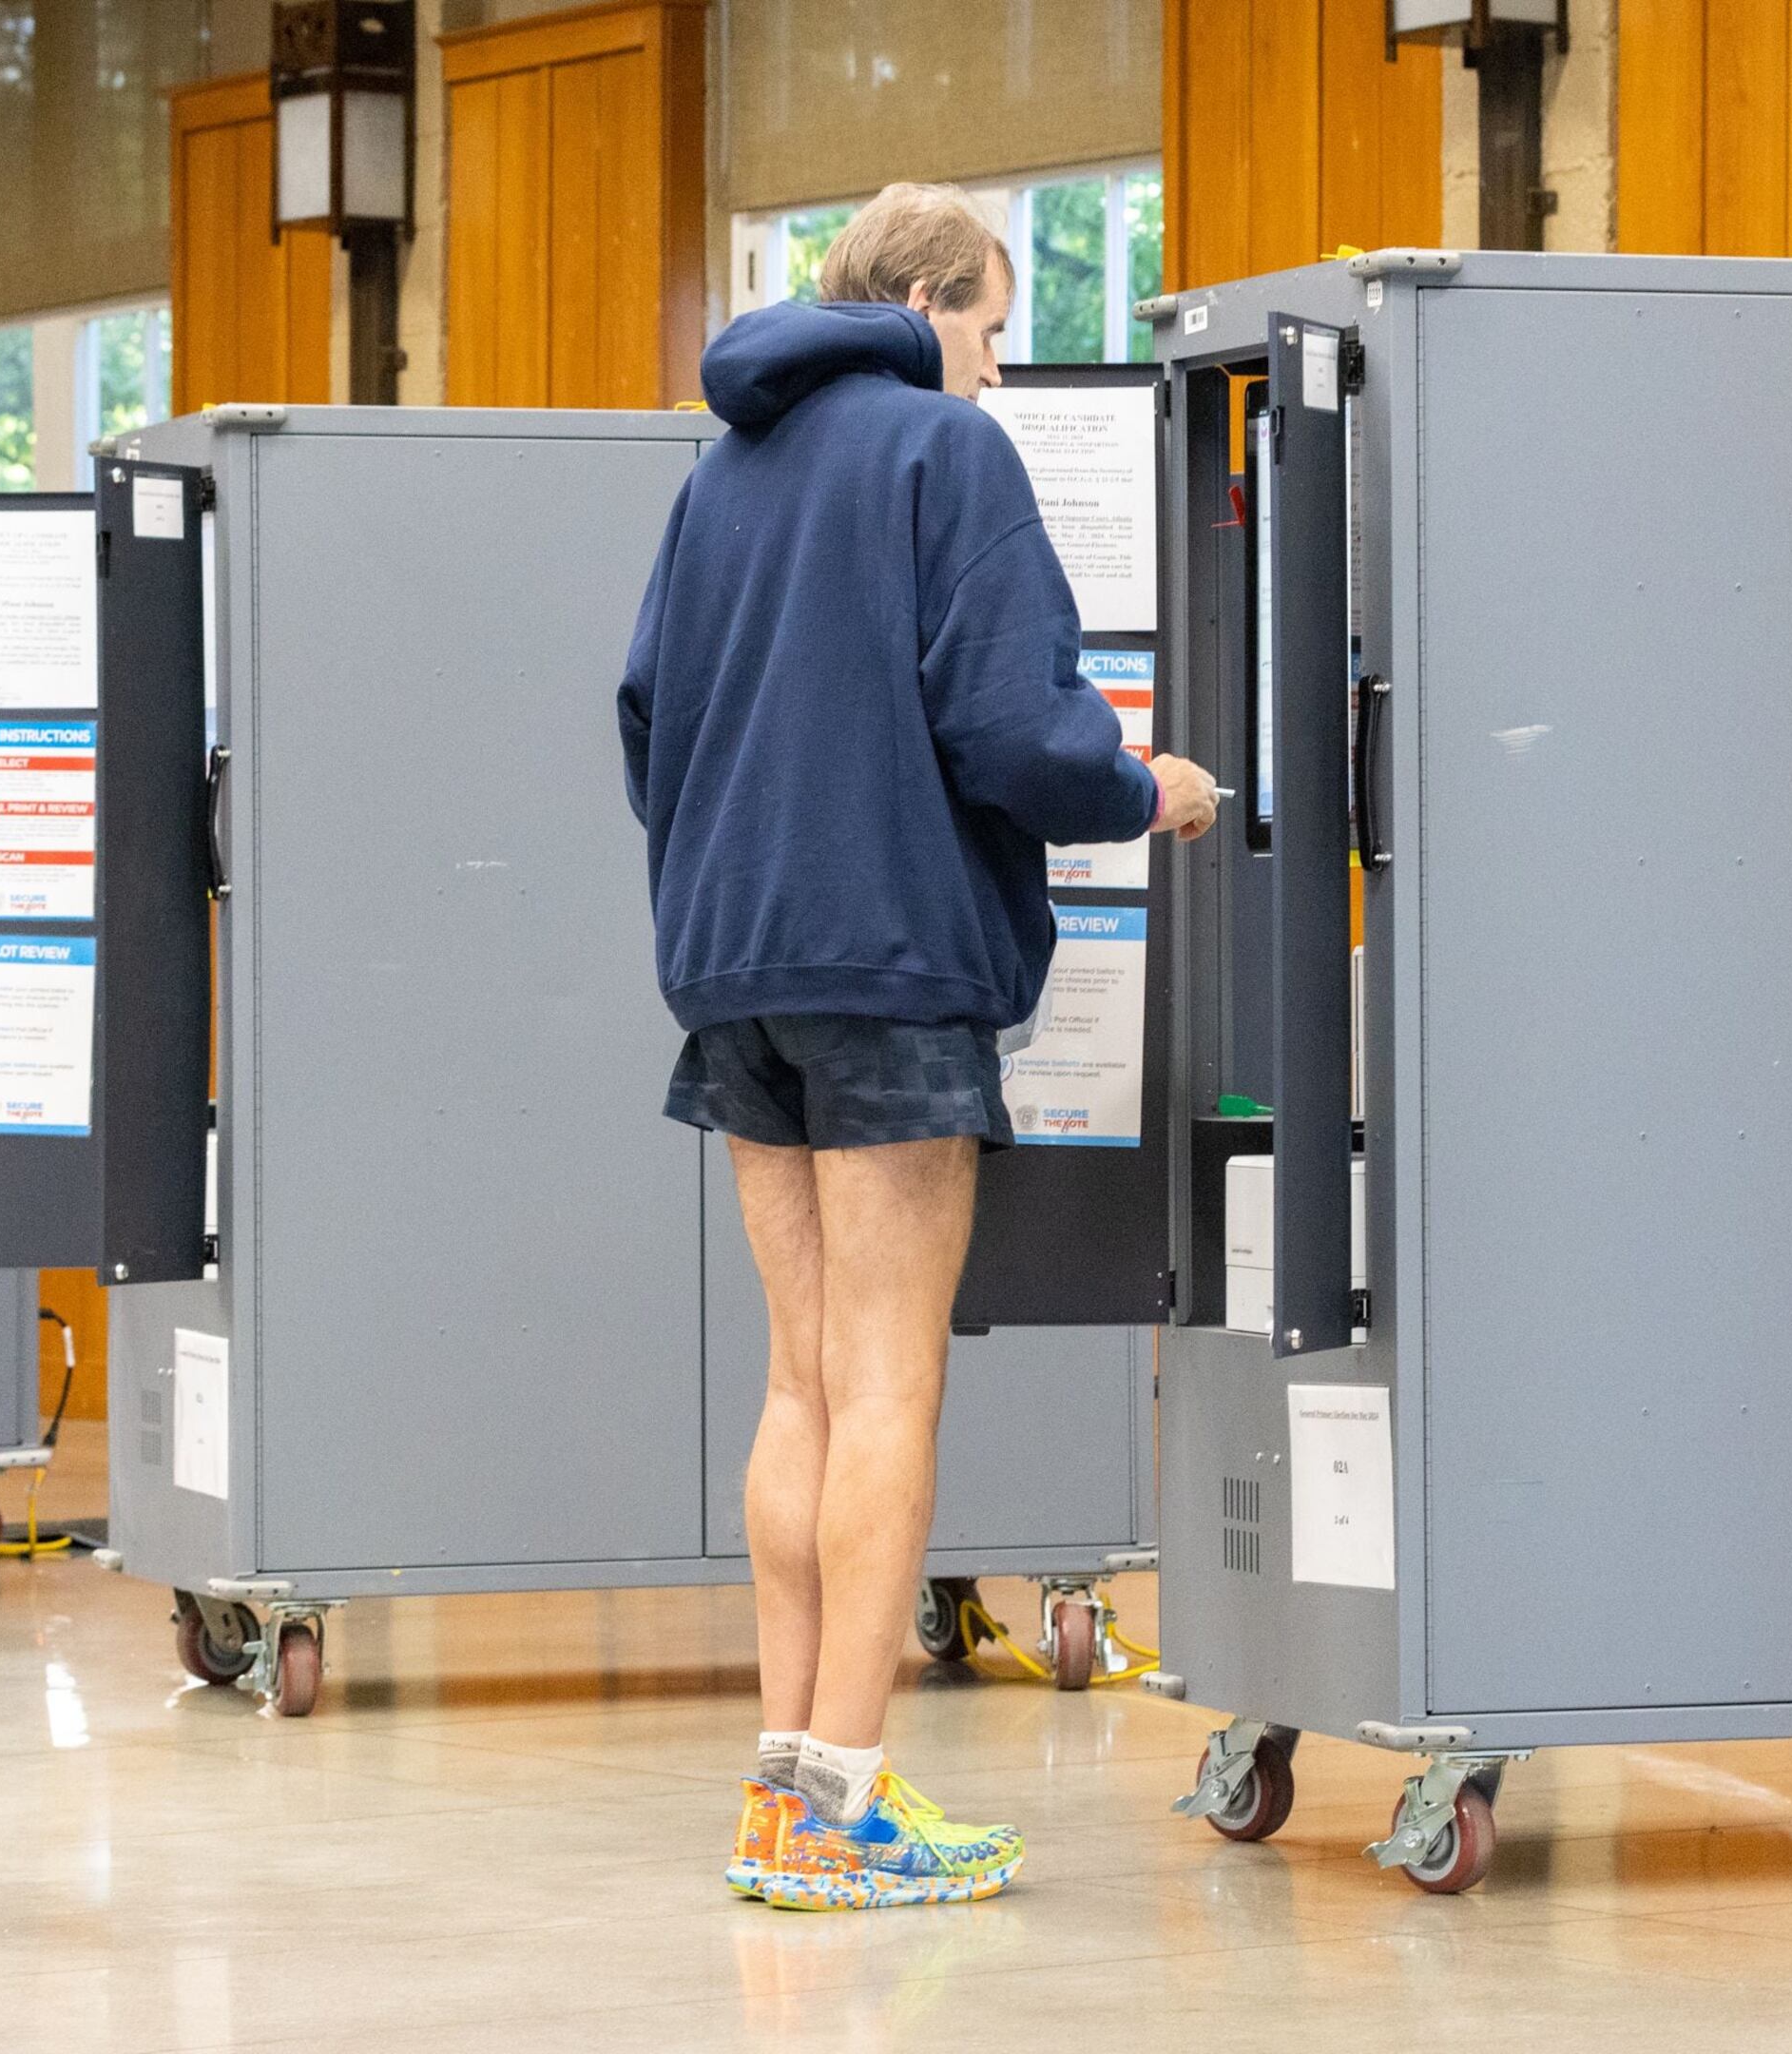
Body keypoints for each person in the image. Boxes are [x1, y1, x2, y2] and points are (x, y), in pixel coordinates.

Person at [618, 183, 1222, 1909]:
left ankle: (786, 1788)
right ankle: (846, 1800)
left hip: (735, 969)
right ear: (937, 301)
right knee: (889, 1382)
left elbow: (648, 718)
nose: (997, 374)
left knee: (801, 1380)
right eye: (995, 332)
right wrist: (1145, 789)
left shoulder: (721, 473)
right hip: (889, 965)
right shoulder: (944, 459)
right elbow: (1018, 729)